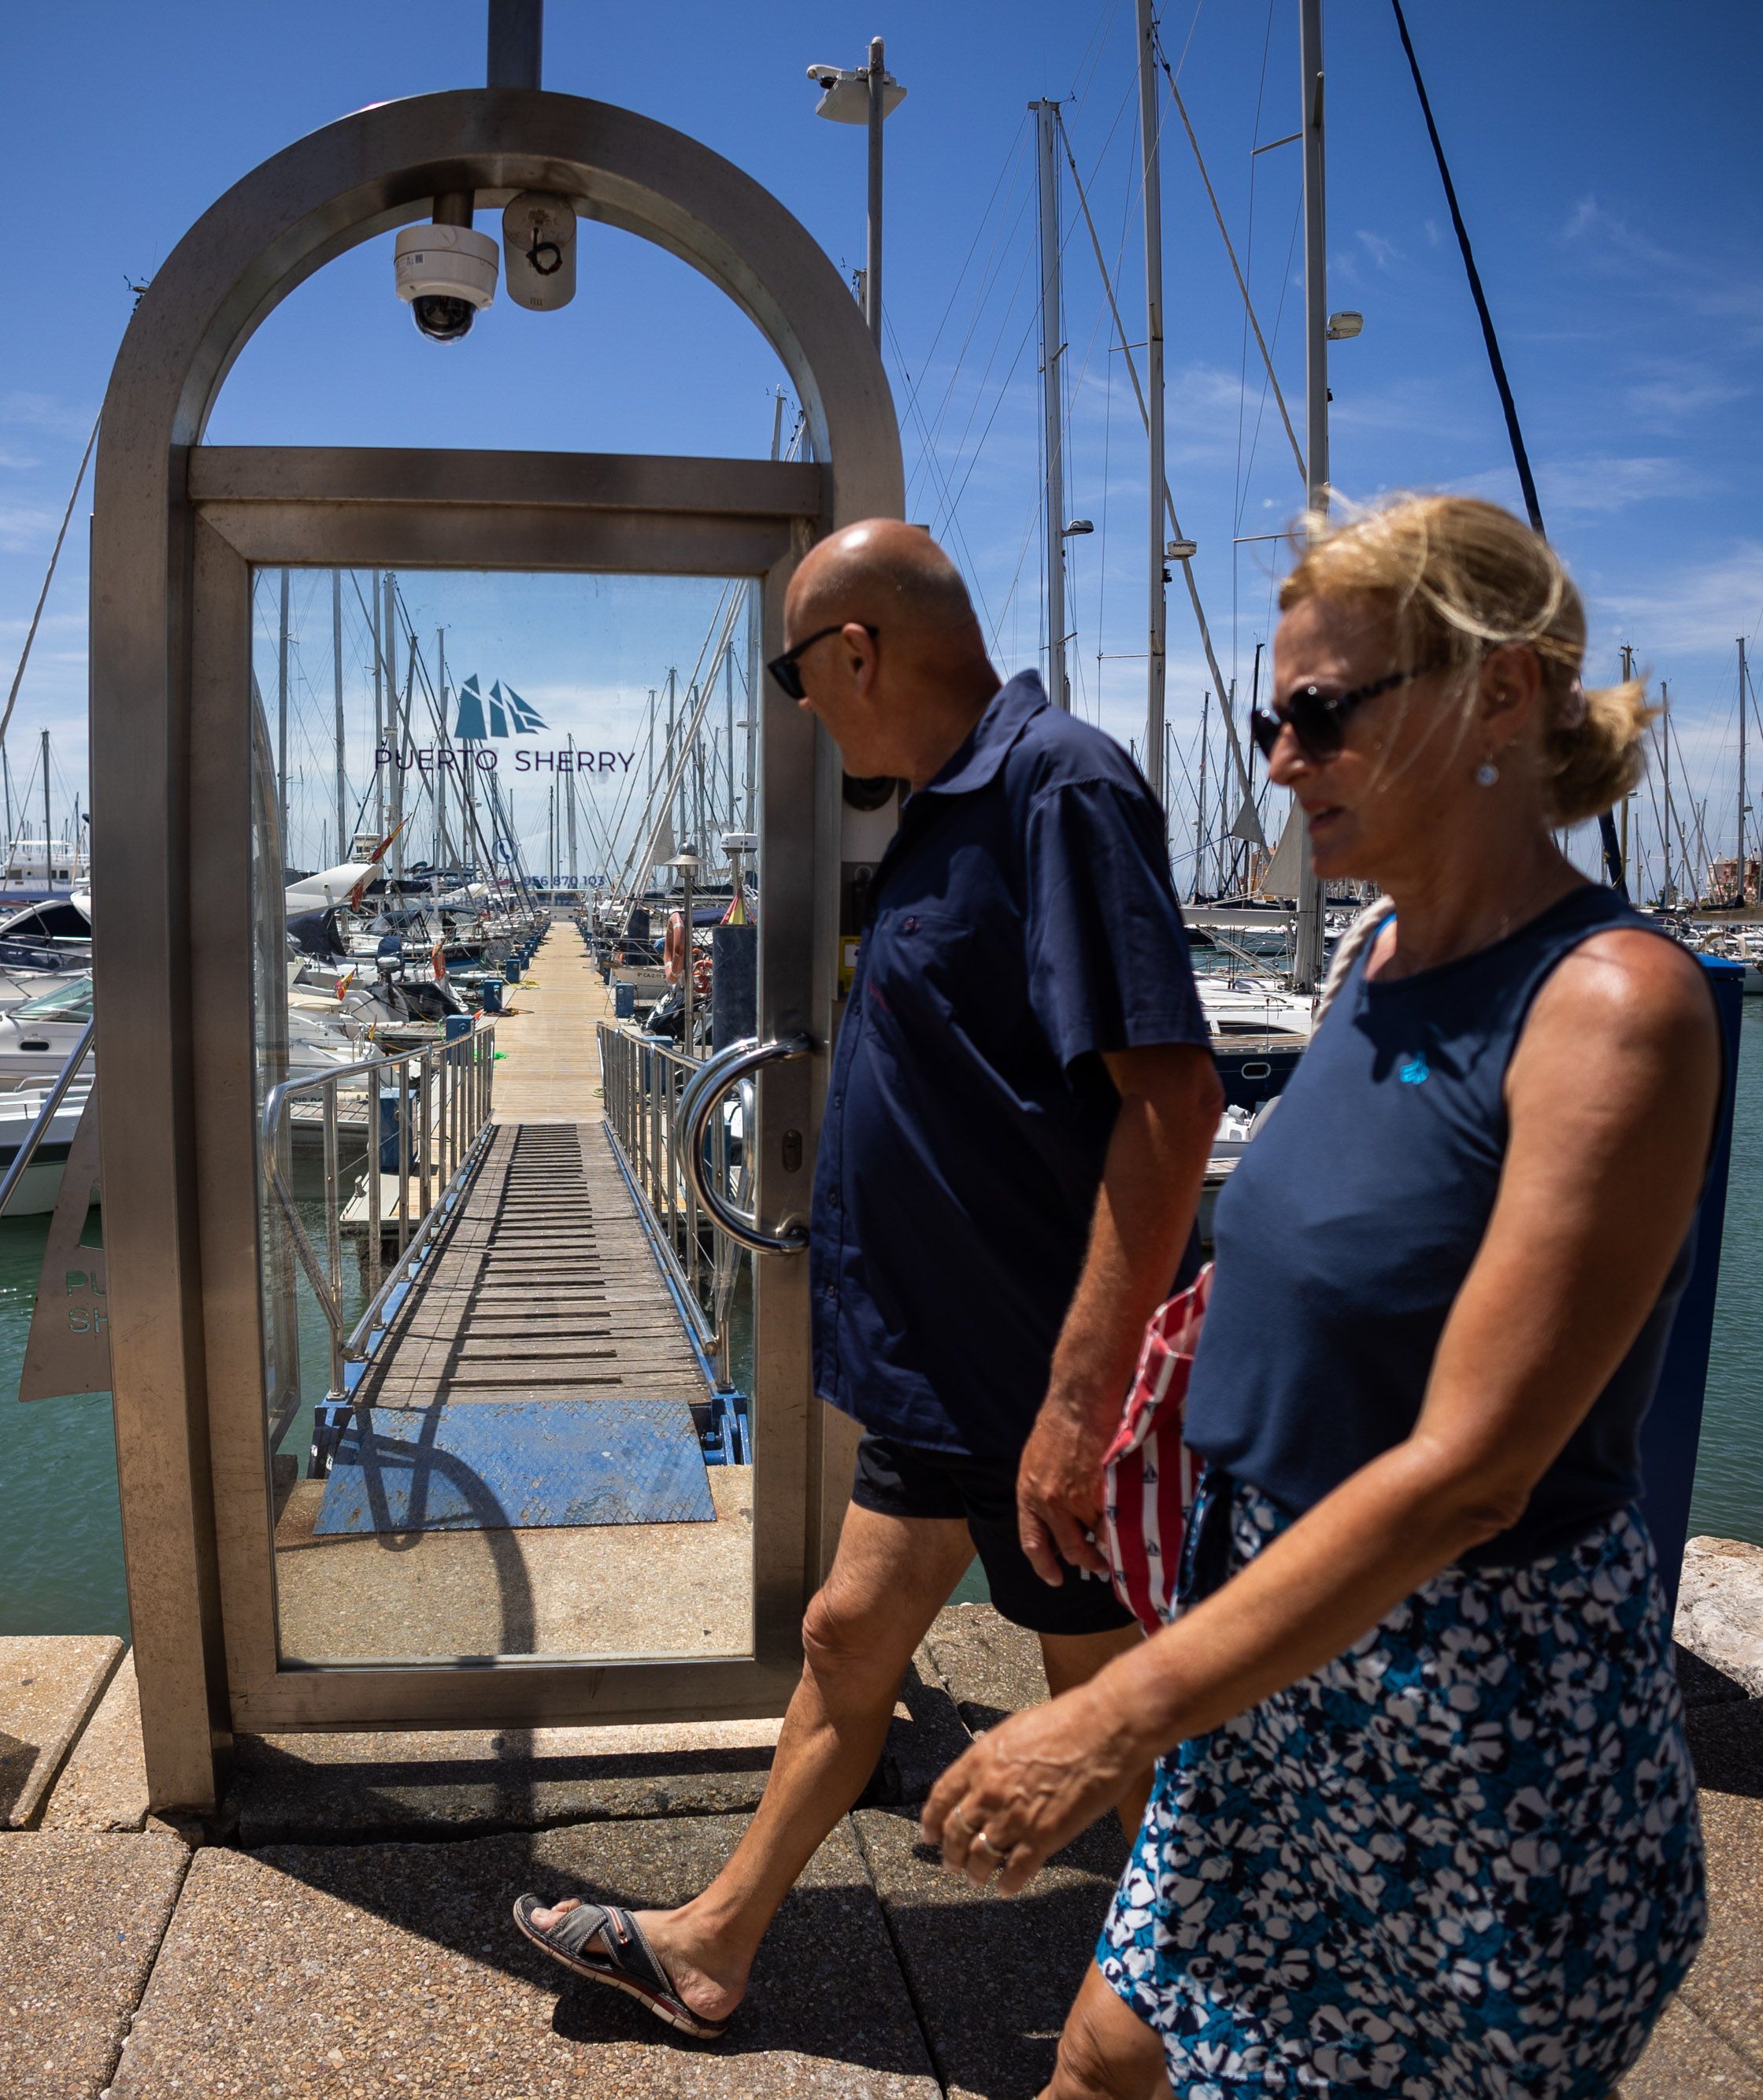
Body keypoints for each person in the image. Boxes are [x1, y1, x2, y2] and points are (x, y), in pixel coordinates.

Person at [920, 493, 1720, 2099]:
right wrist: (1098, 1420)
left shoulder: (1612, 1008)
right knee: (1101, 2057)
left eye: (1322, 712)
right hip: (1267, 1659)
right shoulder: (1374, 955)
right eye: (1266, 720)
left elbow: (1470, 1471)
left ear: (1502, 691)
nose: (1281, 761)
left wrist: (1112, 1715)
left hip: (1460, 1726)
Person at [513, 520, 1228, 2038]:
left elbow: (1171, 1100)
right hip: (941, 1370)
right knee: (847, 1638)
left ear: (856, 650)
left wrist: (1081, 1399)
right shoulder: (936, 811)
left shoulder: (1057, 787)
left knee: (1109, 1704)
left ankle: (1215, 1996)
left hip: (1031, 1377)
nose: (799, 707)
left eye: (797, 673)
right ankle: (713, 1948)